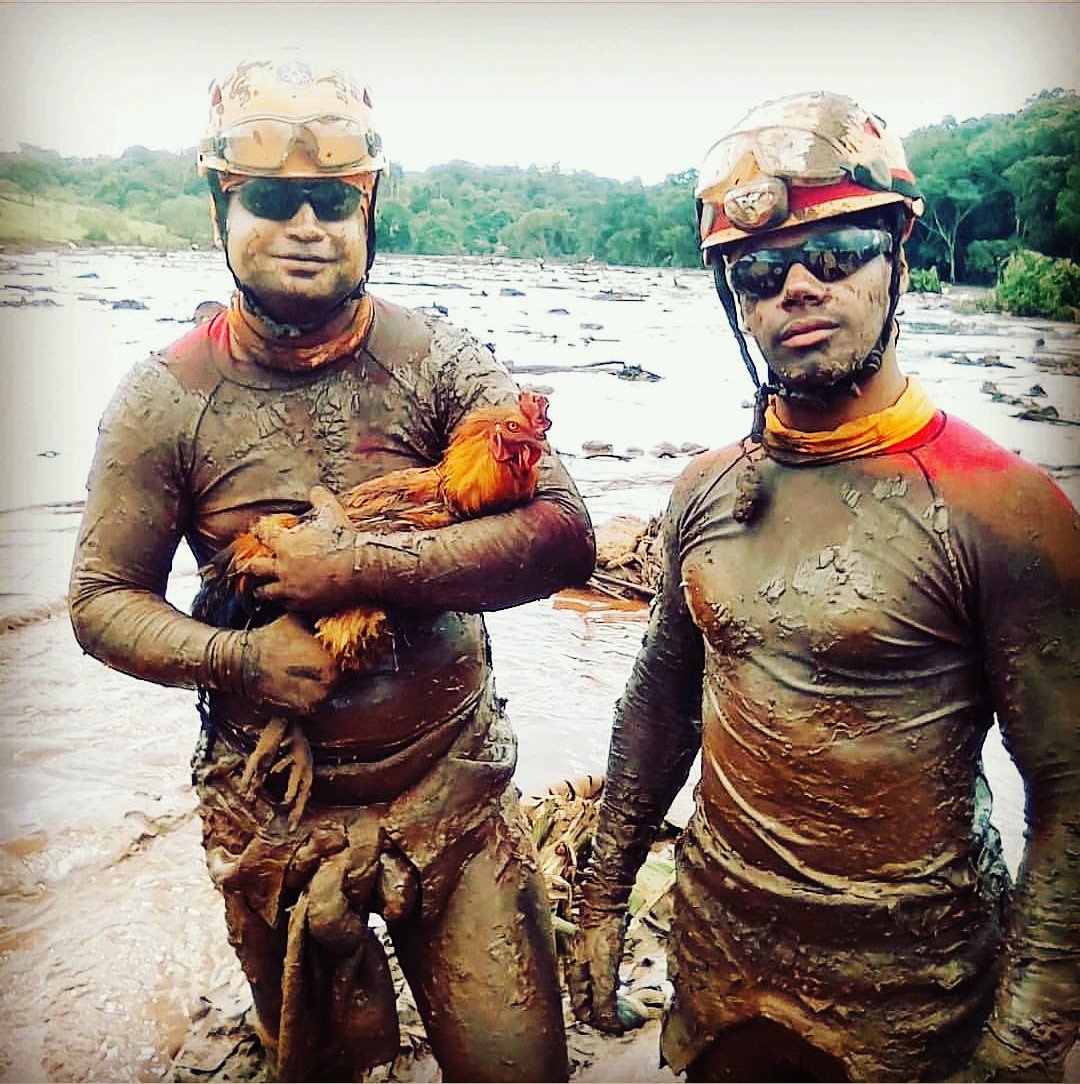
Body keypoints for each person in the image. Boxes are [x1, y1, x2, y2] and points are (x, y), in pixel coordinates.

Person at [69, 54, 594, 1083]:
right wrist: (239, 658)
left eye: (332, 201)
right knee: (327, 1064)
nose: (306, 224)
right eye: (273, 198)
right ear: (224, 206)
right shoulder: (164, 399)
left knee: (518, 1067)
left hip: (455, 788)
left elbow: (565, 533)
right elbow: (99, 602)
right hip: (273, 808)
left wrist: (361, 562)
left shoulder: (440, 360)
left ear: (370, 211)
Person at [570, 91, 1079, 1082]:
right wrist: (600, 898)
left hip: (918, 993)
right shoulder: (707, 489)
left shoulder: (1001, 509)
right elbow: (659, 705)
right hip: (723, 963)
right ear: (736, 300)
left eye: (837, 255)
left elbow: (1070, 795)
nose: (798, 285)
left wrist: (1020, 1046)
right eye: (761, 271)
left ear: (901, 258)